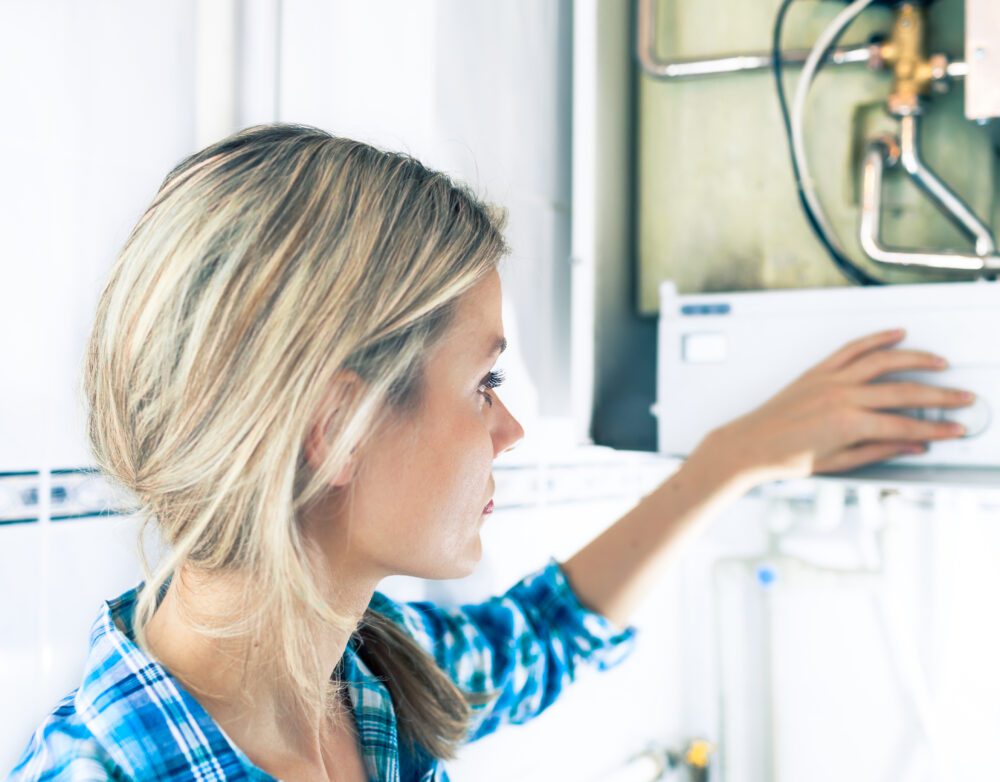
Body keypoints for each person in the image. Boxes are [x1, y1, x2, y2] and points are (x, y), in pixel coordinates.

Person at [9, 125, 971, 782]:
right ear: (332, 427)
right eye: (485, 386)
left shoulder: (367, 676)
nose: (506, 430)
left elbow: (546, 633)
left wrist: (732, 459)